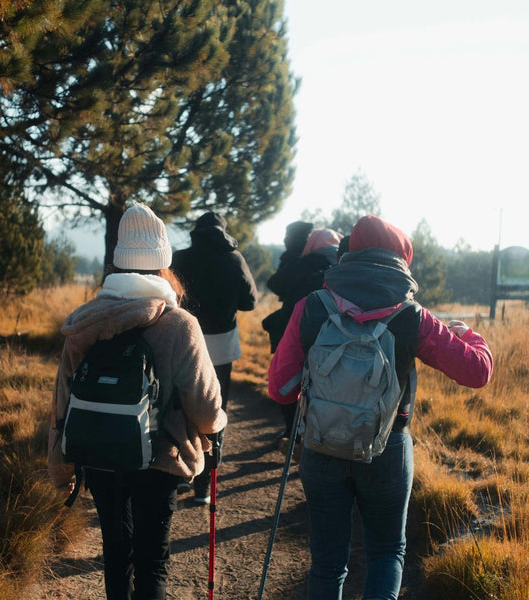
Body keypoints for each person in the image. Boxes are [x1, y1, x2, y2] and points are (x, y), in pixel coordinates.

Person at [268, 215, 493, 600]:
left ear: (351, 253)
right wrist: (467, 335)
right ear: (401, 263)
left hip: (321, 445)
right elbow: (478, 372)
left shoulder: (312, 306)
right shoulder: (413, 317)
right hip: (387, 447)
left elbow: (280, 389)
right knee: (387, 551)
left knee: (327, 563)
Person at [48, 202, 227, 600]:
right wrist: (214, 430)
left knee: (116, 552)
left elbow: (62, 400)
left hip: (98, 454)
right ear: (163, 263)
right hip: (160, 460)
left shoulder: (85, 319)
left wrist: (59, 466)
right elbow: (205, 404)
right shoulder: (180, 324)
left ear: (117, 262)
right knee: (152, 559)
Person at [171, 211, 258, 503]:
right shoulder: (234, 259)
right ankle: (204, 488)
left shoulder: (180, 258)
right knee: (215, 411)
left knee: (179, 405)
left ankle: (181, 473)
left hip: (184, 340)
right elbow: (250, 302)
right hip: (221, 345)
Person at [263, 227, 343, 446]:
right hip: (330, 335)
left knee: (289, 378)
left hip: (293, 326)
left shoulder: (301, 263)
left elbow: (275, 284)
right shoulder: (341, 265)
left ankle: (293, 432)